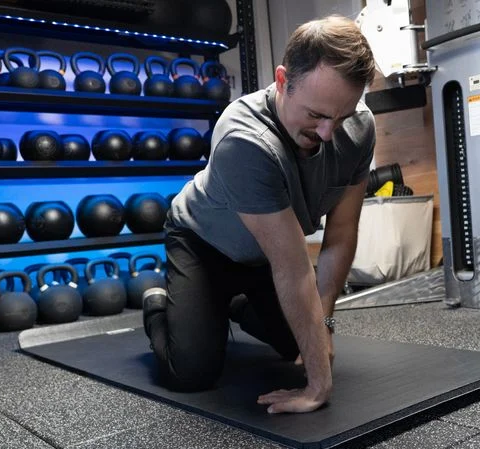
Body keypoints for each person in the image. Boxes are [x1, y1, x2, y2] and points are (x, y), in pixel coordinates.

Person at [142, 15, 376, 415]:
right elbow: (293, 266)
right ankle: (159, 304)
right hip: (205, 244)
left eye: (340, 116)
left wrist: (326, 323)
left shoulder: (358, 127)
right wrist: (317, 388)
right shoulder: (244, 141)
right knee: (191, 374)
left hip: (264, 254)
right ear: (283, 80)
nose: (327, 133)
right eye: (317, 115)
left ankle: (230, 305)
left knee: (298, 345)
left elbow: (341, 232)